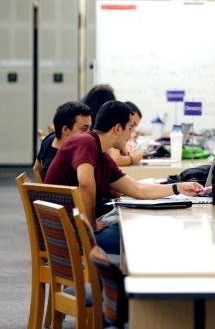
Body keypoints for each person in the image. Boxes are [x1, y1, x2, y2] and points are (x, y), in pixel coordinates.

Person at [45, 100, 203, 254]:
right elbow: (85, 182)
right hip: (67, 233)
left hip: (77, 226)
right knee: (138, 239)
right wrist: (91, 224)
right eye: (130, 128)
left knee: (141, 229)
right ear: (118, 128)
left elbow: (138, 189)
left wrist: (178, 188)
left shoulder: (103, 158)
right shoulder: (86, 141)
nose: (131, 135)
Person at [33, 101, 92, 180]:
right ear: (65, 130)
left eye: (90, 128)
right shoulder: (67, 163)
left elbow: (36, 169)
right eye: (84, 129)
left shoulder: (50, 138)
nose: (89, 133)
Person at [108, 101, 145, 166]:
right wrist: (133, 158)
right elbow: (116, 160)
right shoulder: (113, 131)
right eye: (132, 124)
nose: (133, 129)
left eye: (135, 126)